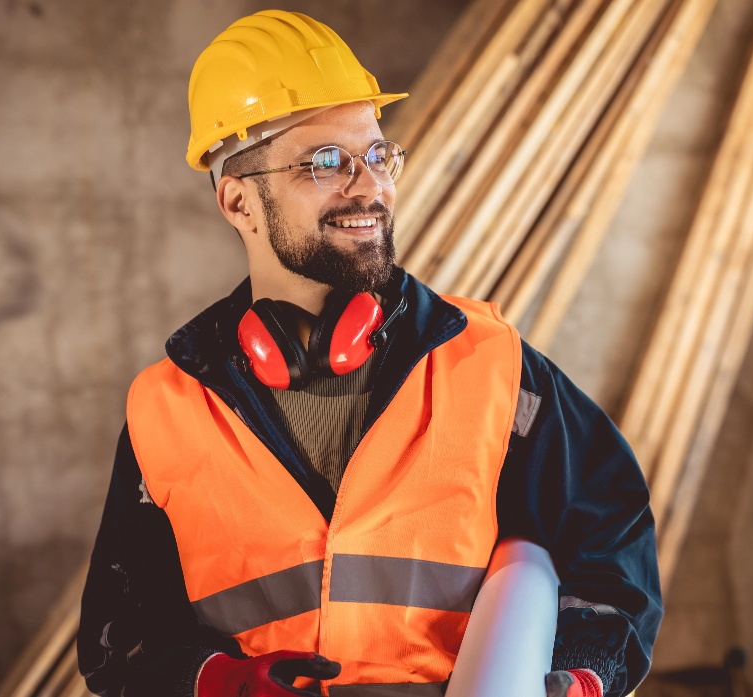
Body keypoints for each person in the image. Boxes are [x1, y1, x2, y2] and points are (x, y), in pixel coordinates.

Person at [77, 10, 662, 697]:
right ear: (239, 202)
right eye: (326, 162)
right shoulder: (168, 410)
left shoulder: (487, 366)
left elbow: (611, 548)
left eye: (378, 155)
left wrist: (582, 679)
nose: (368, 186)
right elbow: (121, 639)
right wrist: (218, 680)